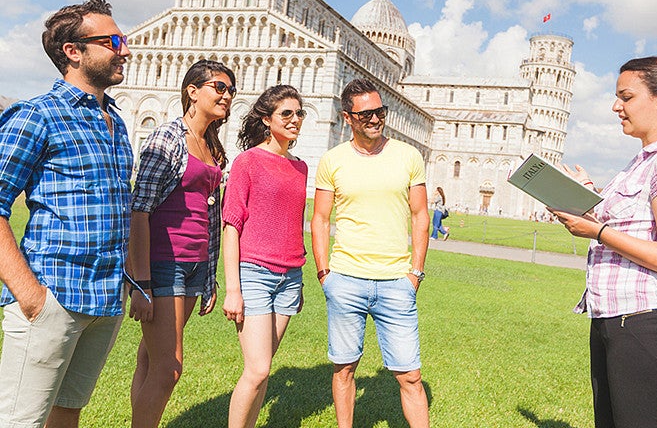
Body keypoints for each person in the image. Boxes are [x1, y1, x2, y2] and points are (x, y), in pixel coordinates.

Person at [550, 56, 657, 428]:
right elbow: (634, 228)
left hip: (648, 323)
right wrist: (588, 199)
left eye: (625, 97)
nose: (616, 106)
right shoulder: (639, 162)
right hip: (613, 318)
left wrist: (597, 231)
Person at [0, 0, 133, 427]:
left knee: (67, 413)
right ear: (73, 51)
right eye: (112, 41)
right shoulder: (37, 115)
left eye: (123, 39)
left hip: (104, 300)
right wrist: (32, 296)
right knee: (22, 421)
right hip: (51, 295)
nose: (125, 50)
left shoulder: (115, 120)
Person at [311, 78, 430, 428]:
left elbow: (420, 215)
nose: (375, 119)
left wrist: (415, 273)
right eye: (366, 114)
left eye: (380, 111)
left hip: (396, 282)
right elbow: (319, 219)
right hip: (345, 279)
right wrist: (324, 273)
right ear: (348, 117)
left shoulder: (409, 155)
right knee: (345, 369)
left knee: (410, 376)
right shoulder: (332, 160)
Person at [128, 60, 235, 427]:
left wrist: (208, 278)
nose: (227, 96)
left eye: (231, 91)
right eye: (219, 87)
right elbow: (139, 210)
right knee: (169, 369)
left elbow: (210, 218)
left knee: (151, 360)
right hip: (163, 263)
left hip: (194, 265)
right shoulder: (166, 138)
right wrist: (140, 281)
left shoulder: (212, 146)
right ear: (192, 90)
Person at [222, 85, 308, 428]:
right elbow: (232, 225)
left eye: (299, 113)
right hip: (254, 273)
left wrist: (298, 277)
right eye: (286, 113)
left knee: (264, 369)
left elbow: (292, 223)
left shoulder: (300, 167)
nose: (295, 119)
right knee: (257, 369)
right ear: (266, 118)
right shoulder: (247, 162)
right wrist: (233, 289)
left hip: (290, 277)